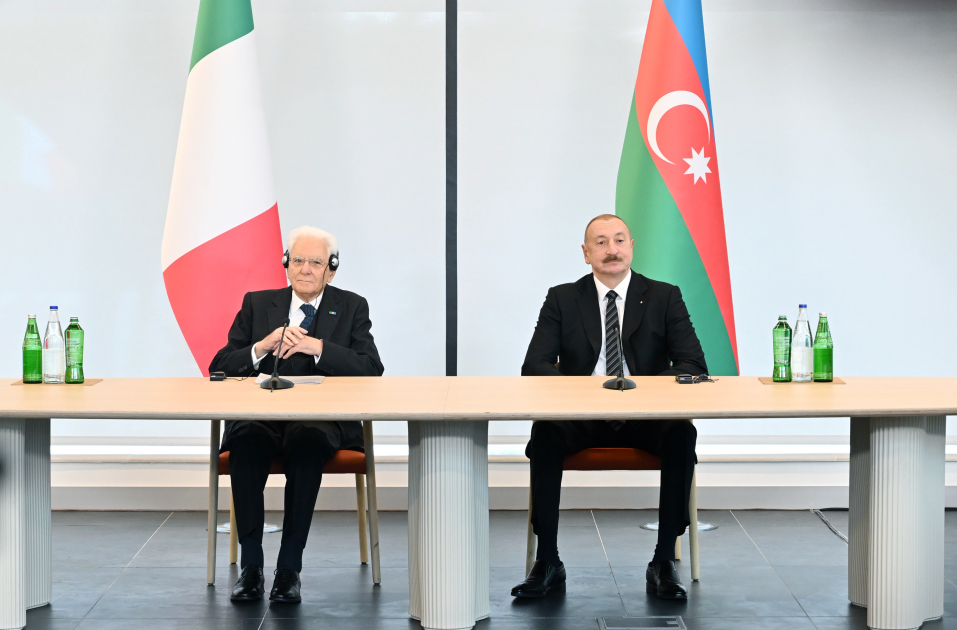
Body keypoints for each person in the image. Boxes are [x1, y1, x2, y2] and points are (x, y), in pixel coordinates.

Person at [513, 214, 708, 601]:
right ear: (586, 254)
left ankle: (663, 560)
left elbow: (693, 364)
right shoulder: (563, 297)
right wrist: (585, 394)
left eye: (619, 240)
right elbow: (533, 366)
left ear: (632, 246)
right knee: (546, 433)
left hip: (645, 414)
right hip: (582, 415)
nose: (612, 249)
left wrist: (643, 392)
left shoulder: (664, 295)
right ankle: (548, 559)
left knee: (681, 434)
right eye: (600, 242)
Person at [209, 226, 384, 604]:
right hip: (261, 417)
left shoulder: (352, 306)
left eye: (316, 262)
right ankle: (252, 567)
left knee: (307, 444)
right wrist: (262, 346)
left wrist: (318, 347)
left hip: (320, 421)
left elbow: (371, 368)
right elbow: (220, 365)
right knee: (246, 443)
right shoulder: (257, 303)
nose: (305, 269)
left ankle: (289, 568)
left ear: (331, 270)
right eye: (298, 260)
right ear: (287, 264)